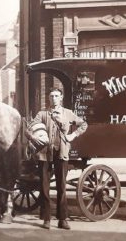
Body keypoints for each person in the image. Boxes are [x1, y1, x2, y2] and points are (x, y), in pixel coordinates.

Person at [26, 88, 87, 230]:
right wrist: (33, 137)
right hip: (45, 154)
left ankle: (63, 219)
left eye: (56, 96)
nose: (54, 98)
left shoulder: (68, 113)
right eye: (51, 96)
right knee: (44, 188)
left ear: (61, 98)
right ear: (48, 98)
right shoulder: (42, 114)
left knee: (62, 187)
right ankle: (46, 219)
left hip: (61, 154)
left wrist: (73, 135)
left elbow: (84, 124)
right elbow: (29, 129)